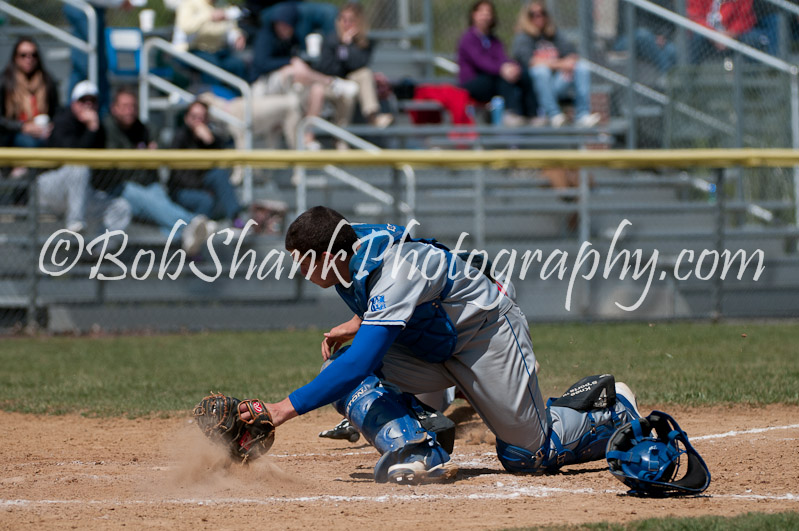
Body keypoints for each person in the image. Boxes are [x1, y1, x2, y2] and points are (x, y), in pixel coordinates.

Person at [239, 206, 642, 484]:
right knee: (339, 365)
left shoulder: (397, 266)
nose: (301, 271)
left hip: (484, 336)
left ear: (327, 256)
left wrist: (281, 409)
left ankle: (608, 409)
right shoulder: (349, 250)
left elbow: (367, 354)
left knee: (530, 457)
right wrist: (359, 321)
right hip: (431, 342)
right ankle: (415, 448)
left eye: (304, 262)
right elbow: (393, 303)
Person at [93, 88, 213, 255]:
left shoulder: (144, 128)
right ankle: (192, 223)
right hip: (118, 190)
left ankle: (187, 233)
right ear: (114, 108)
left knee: (157, 200)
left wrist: (152, 153)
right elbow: (116, 166)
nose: (130, 110)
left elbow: (162, 148)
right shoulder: (106, 129)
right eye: (125, 106)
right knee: (140, 194)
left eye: (133, 106)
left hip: (148, 186)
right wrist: (138, 157)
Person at [248, 2, 358, 148]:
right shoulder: (266, 35)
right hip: (264, 84)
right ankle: (332, 82)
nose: (282, 27)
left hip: (291, 85)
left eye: (286, 24)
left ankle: (308, 137)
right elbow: (261, 64)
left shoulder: (294, 38)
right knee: (294, 70)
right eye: (280, 24)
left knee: (317, 91)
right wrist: (290, 61)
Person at [37, 81, 130, 235]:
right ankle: (75, 222)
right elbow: (72, 154)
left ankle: (97, 252)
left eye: (92, 101)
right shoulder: (62, 122)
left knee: (121, 207)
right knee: (78, 166)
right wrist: (91, 129)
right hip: (49, 189)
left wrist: (93, 129)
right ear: (73, 103)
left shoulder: (98, 128)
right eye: (83, 100)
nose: (88, 105)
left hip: (80, 195)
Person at [512, 1, 601, 128]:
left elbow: (572, 54)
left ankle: (583, 115)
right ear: (527, 17)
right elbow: (531, 62)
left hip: (557, 83)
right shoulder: (523, 38)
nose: (539, 17)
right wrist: (560, 64)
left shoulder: (553, 34)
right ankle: (554, 115)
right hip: (535, 88)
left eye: (542, 13)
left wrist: (569, 63)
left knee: (582, 67)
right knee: (541, 71)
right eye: (533, 14)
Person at [457, 0, 537, 127]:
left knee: (523, 74)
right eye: (481, 12)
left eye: (488, 12)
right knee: (502, 77)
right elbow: (481, 62)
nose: (485, 15)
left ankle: (532, 115)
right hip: (472, 83)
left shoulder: (494, 40)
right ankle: (511, 113)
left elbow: (503, 57)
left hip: (492, 78)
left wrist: (513, 67)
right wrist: (502, 69)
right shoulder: (468, 38)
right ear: (474, 15)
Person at [315, 2, 394, 129]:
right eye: (343, 19)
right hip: (332, 83)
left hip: (352, 82)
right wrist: (343, 45)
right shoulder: (331, 40)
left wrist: (348, 46)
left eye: (351, 20)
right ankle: (341, 137)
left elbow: (359, 64)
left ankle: (373, 116)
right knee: (348, 92)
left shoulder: (364, 43)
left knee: (364, 74)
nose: (346, 24)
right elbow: (328, 69)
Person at [169, 100, 246, 223]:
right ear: (186, 118)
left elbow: (222, 161)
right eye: (194, 117)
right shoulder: (180, 138)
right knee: (205, 200)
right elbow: (179, 177)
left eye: (202, 117)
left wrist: (210, 142)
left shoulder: (209, 138)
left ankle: (236, 219)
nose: (198, 121)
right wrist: (202, 189)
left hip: (201, 183)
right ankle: (196, 232)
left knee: (219, 174)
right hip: (182, 189)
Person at [63, 0, 132, 114]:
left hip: (93, 8)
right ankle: (75, 113)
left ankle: (100, 114)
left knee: (97, 65)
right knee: (85, 66)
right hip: (84, 7)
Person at [0, 37, 59, 149]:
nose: (29, 59)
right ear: (15, 57)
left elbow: (56, 111)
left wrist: (51, 126)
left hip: (43, 132)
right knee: (29, 142)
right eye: (23, 55)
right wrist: (23, 126)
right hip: (13, 134)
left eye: (33, 55)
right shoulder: (5, 82)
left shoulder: (47, 81)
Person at [175, 0, 248, 80]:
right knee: (212, 67)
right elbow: (185, 28)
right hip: (192, 50)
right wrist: (209, 16)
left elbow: (231, 29)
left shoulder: (222, 5)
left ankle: (237, 92)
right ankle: (213, 91)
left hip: (217, 51)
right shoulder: (189, 4)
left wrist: (237, 36)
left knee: (237, 65)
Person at [686, 0, 770, 64]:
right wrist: (713, 35)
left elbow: (746, 17)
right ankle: (688, 80)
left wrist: (731, 34)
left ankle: (751, 83)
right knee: (696, 37)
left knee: (753, 38)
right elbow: (695, 17)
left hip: (733, 35)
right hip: (708, 36)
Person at [612, 0, 677, 74]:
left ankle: (676, 77)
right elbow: (630, 24)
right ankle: (667, 74)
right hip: (626, 40)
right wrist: (652, 36)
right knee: (643, 34)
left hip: (652, 41)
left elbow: (670, 22)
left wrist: (663, 35)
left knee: (672, 51)